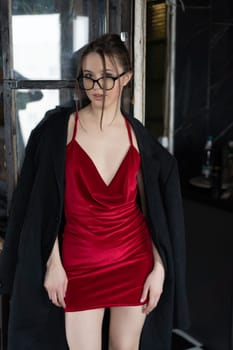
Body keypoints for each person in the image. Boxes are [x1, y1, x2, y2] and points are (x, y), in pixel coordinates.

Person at [0, 34, 189, 350]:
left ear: (126, 78)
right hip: (78, 265)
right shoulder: (57, 133)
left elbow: (153, 212)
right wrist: (52, 262)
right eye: (88, 78)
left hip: (134, 261)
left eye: (107, 78)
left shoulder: (136, 137)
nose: (96, 87)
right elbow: (39, 210)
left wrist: (159, 267)